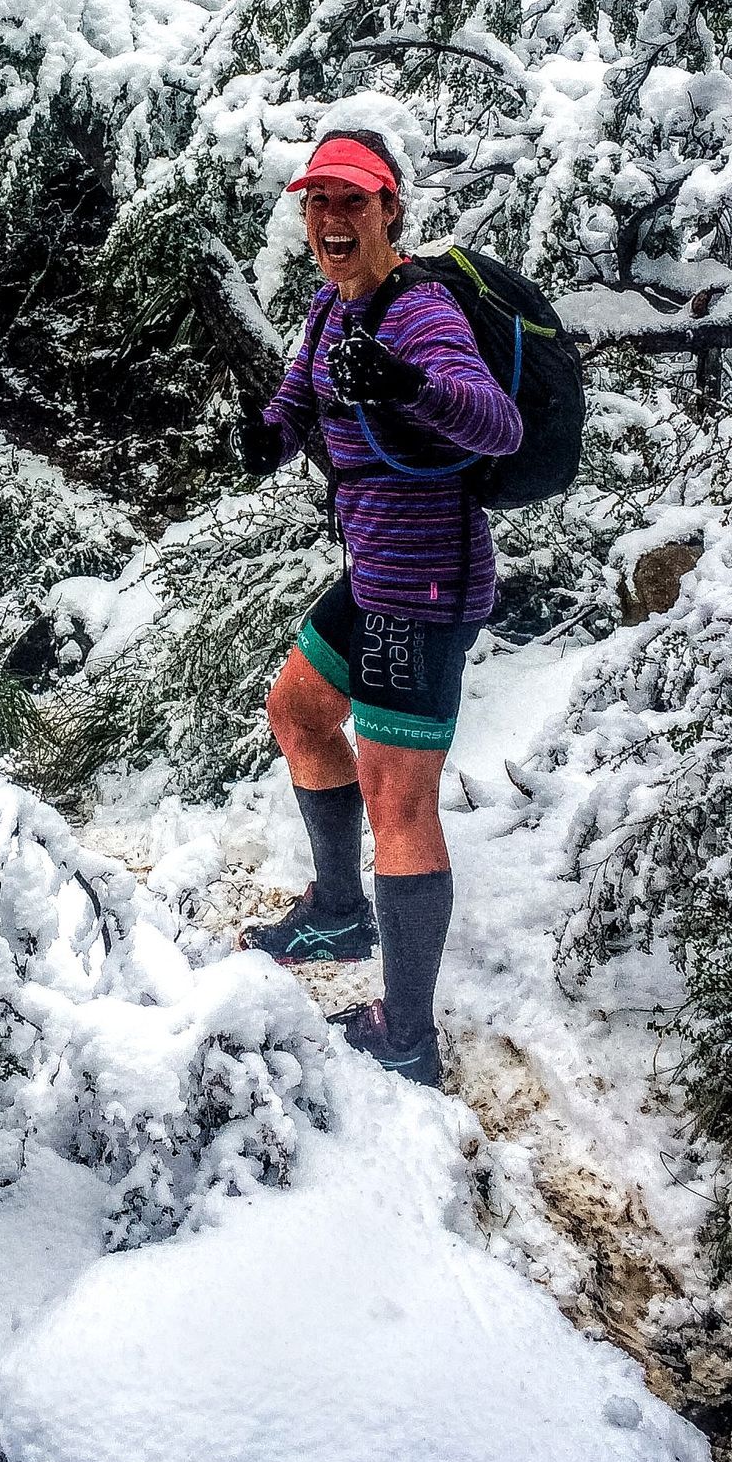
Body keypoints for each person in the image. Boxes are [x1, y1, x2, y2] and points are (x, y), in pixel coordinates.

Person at [237, 128, 522, 1084]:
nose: (331, 217)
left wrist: (408, 384)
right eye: (317, 201)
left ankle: (407, 1036)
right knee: (297, 711)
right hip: (374, 575)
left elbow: (497, 423)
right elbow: (299, 399)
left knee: (397, 798)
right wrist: (268, 435)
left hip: (427, 586)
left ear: (390, 209)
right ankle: (337, 914)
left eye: (352, 200)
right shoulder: (331, 305)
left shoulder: (421, 311)